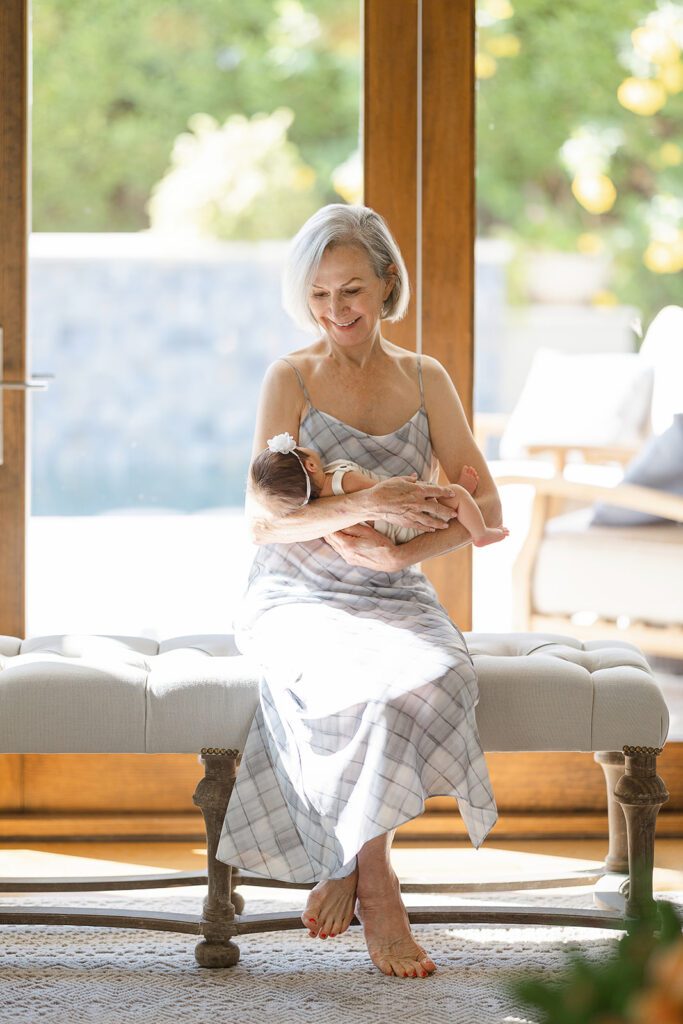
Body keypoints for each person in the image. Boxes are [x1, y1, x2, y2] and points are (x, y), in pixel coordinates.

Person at [216, 203, 502, 980]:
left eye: (350, 290)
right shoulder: (290, 377)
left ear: (385, 284)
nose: (336, 310)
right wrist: (365, 506)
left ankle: (342, 852)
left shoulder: (425, 378)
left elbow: (488, 511)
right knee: (367, 687)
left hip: (392, 595)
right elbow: (263, 522)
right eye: (318, 296)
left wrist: (395, 563)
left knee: (441, 673)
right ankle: (377, 885)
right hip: (294, 594)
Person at [250, 430, 509, 548]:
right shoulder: (343, 478)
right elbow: (383, 495)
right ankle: (481, 533)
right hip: (401, 519)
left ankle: (455, 498)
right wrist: (405, 483)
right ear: (310, 465)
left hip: (392, 531)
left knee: (446, 504)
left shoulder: (322, 507)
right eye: (301, 447)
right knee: (456, 498)